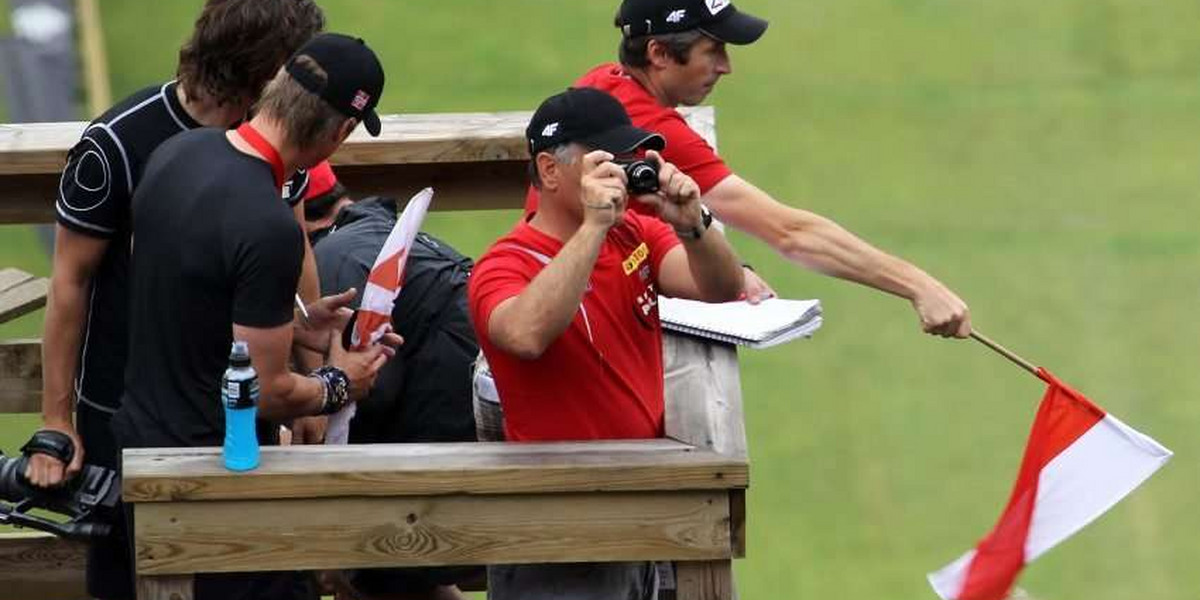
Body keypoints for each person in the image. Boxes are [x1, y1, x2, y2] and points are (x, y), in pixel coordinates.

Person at [27, 2, 324, 599]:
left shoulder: (276, 137)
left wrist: (306, 380)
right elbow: (70, 285)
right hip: (125, 417)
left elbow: (293, 258)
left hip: (241, 413)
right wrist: (58, 422)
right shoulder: (115, 142)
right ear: (265, 70)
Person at [114, 33, 396, 600]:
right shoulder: (267, 225)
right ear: (339, 132)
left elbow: (192, 298)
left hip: (140, 449)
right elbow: (266, 392)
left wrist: (294, 321)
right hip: (216, 481)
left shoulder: (179, 153)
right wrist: (343, 383)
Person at [529, 0, 972, 338]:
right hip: (584, 324)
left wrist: (731, 267)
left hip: (570, 293)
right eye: (713, 50)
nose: (726, 67)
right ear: (659, 53)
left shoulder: (604, 84)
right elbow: (791, 234)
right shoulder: (656, 129)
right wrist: (917, 285)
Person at [469, 87, 744, 599]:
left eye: (627, 157)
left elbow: (723, 288)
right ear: (550, 171)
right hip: (559, 530)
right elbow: (525, 335)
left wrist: (694, 224)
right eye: (606, 160)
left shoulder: (633, 232)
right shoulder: (504, 264)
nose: (622, 169)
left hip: (636, 511)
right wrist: (594, 225)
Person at [301, 161, 481, 599]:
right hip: (484, 413)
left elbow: (367, 392)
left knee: (359, 548)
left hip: (455, 438)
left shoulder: (332, 258)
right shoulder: (380, 231)